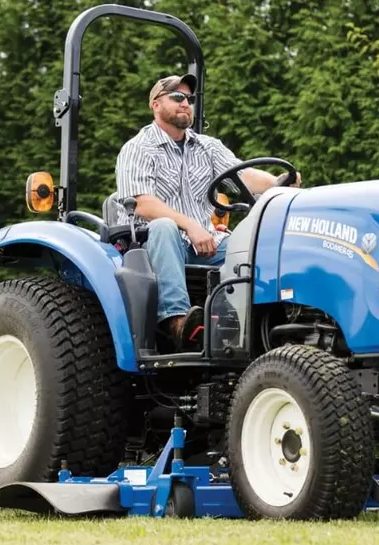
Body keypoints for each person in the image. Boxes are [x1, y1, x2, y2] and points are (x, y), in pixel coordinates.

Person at [107, 73, 300, 351]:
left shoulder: (207, 147)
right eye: (177, 97)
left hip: (204, 241)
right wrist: (191, 226)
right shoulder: (138, 148)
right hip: (152, 244)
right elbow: (142, 203)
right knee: (164, 226)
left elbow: (243, 175)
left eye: (190, 99)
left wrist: (279, 182)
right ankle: (177, 321)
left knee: (250, 246)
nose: (186, 103)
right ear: (156, 104)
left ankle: (256, 324)